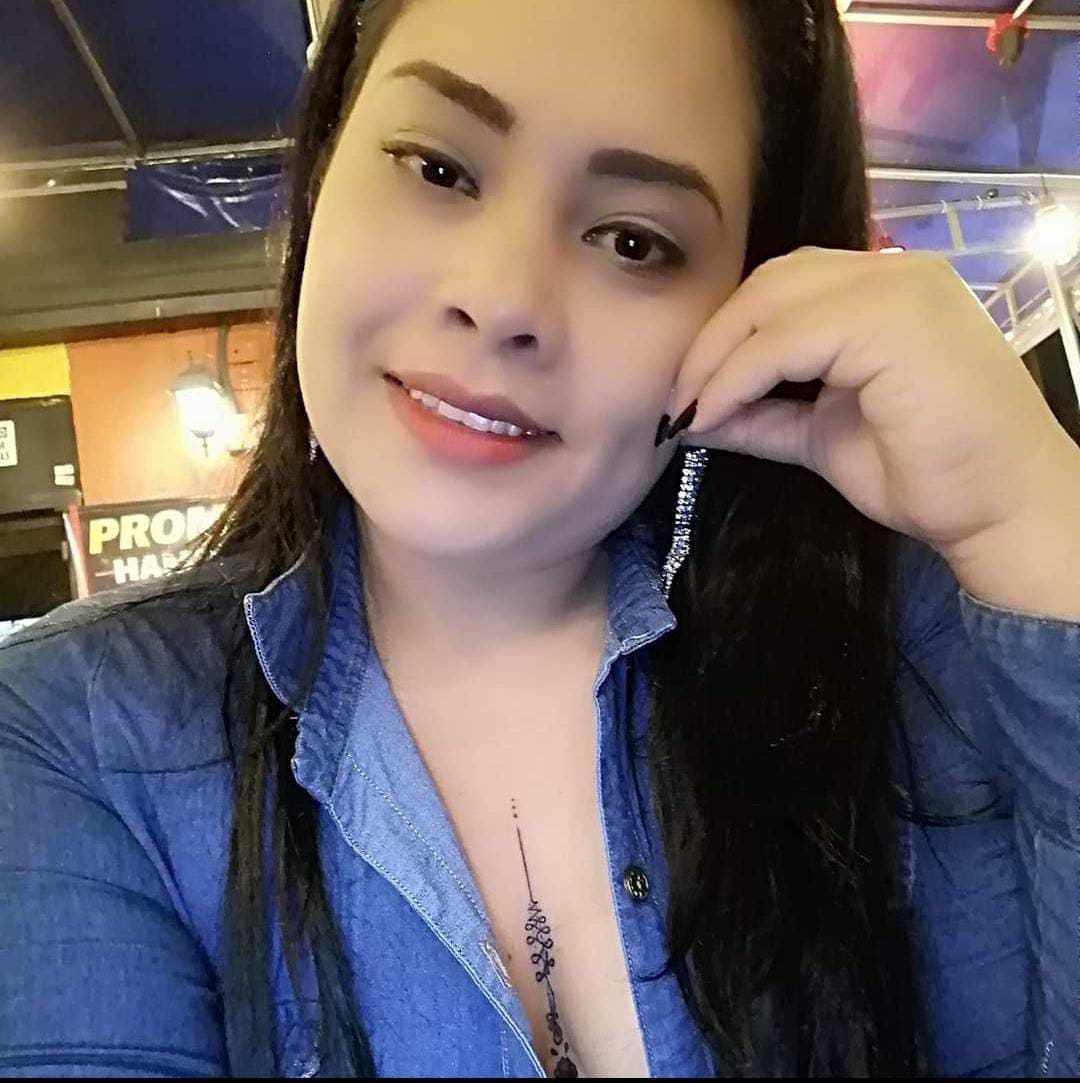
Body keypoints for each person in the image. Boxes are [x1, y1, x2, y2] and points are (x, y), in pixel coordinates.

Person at [2, 0, 1079, 1076]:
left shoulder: (911, 657)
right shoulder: (78, 737)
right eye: (438, 170)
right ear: (324, 166)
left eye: (633, 241)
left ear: (758, 297)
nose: (502, 299)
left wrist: (1036, 521)